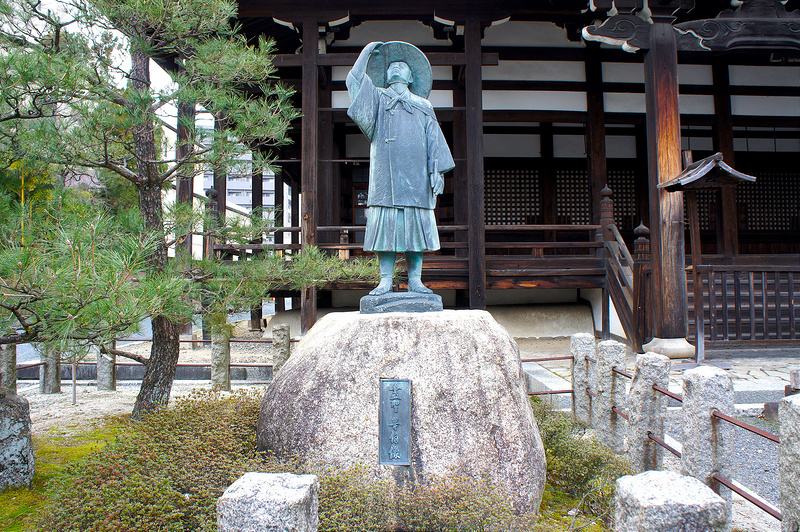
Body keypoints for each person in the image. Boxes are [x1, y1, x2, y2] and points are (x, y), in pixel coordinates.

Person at [347, 41, 455, 296]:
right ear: (385, 74)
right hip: (385, 176)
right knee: (386, 229)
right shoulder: (376, 98)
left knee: (415, 231)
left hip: (416, 178)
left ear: (411, 76)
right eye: (392, 66)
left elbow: (434, 140)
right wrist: (364, 54)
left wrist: (437, 170)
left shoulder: (423, 106)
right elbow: (353, 82)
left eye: (402, 66)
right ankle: (385, 280)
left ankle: (415, 280)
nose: (397, 69)